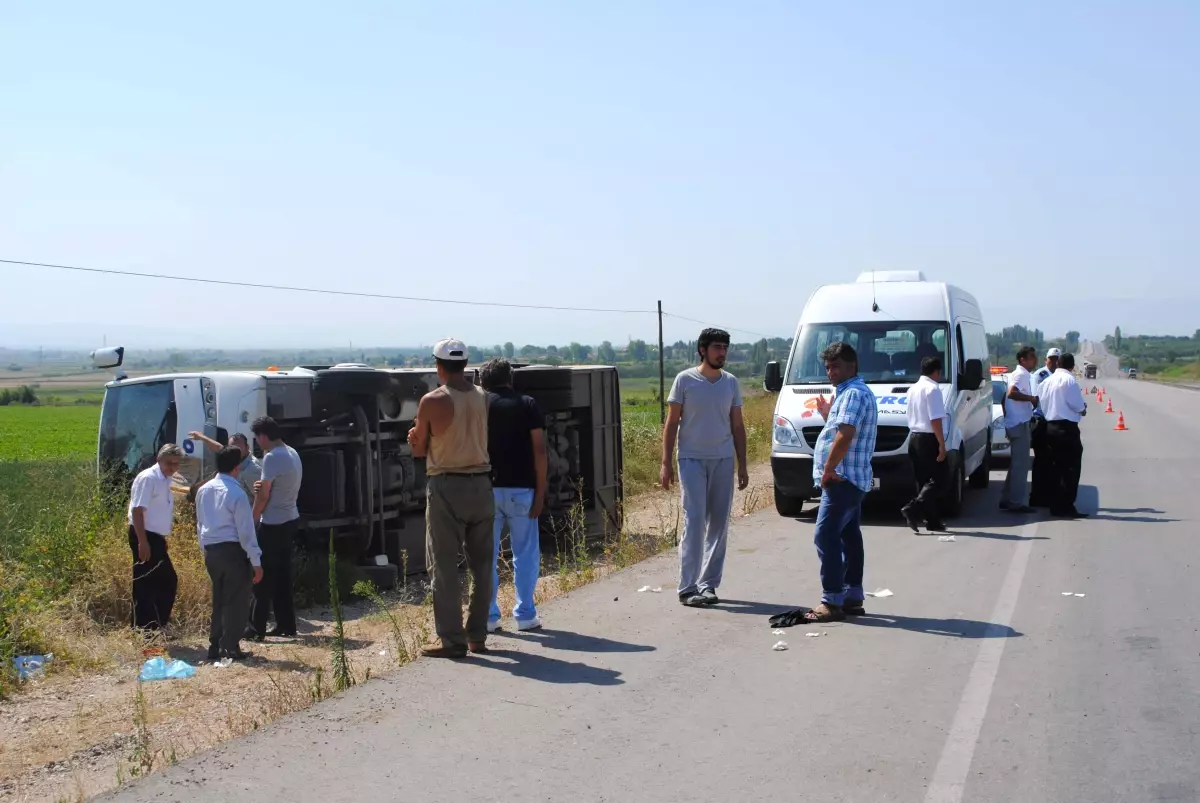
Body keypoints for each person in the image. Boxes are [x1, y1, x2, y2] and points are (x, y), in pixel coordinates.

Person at [407, 338, 495, 659]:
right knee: (482, 566)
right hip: (482, 485)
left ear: (438, 366)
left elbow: (419, 449)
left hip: (446, 486)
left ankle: (453, 641)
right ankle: (477, 635)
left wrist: (414, 437)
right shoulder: (483, 397)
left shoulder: (432, 401)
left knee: (444, 567)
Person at [660, 328, 749, 607]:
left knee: (719, 523)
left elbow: (737, 425)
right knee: (695, 519)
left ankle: (708, 584)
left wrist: (743, 464)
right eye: (717, 347)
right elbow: (672, 422)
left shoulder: (731, 383)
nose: (722, 353)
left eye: (725, 347)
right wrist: (665, 463)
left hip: (723, 459)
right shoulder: (684, 380)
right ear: (703, 350)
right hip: (691, 459)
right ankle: (687, 587)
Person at [798, 342, 878, 623]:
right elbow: (839, 428)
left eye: (836, 366)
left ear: (851, 366)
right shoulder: (848, 394)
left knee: (825, 535)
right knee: (849, 535)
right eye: (828, 367)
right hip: (851, 478)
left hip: (843, 478)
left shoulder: (853, 394)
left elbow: (845, 435)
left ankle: (832, 599)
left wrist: (829, 469)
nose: (830, 372)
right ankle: (852, 595)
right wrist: (827, 415)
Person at [480, 359, 548, 633]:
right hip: (522, 489)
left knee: (487, 555)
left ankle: (488, 617)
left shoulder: (480, 405)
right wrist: (541, 493)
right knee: (525, 554)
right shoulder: (528, 404)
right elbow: (540, 451)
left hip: (486, 489)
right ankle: (525, 614)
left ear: (482, 382)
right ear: (510, 379)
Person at [196, 447, 265, 661]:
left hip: (211, 551)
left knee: (218, 600)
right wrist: (256, 562)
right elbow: (246, 533)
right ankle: (231, 646)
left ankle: (214, 645)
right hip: (233, 552)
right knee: (236, 601)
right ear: (236, 468)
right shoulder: (237, 494)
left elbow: (200, 524)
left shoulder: (203, 490)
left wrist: (204, 550)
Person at [245, 416, 303, 641]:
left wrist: (252, 521)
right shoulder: (292, 453)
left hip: (273, 522)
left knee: (263, 576)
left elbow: (263, 495)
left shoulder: (271, 458)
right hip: (290, 517)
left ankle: (255, 627)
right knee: (282, 576)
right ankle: (286, 624)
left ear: (263, 436)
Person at [128, 445, 183, 632]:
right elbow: (137, 511)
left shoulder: (165, 479)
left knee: (158, 582)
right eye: (169, 463)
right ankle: (145, 629)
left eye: (176, 464)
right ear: (159, 459)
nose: (173, 467)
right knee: (152, 582)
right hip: (144, 534)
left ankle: (151, 627)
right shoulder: (149, 478)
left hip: (154, 537)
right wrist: (143, 541)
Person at [901, 356, 949, 533]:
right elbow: (935, 419)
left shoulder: (913, 388)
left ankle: (933, 521)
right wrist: (941, 444)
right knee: (940, 479)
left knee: (923, 482)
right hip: (928, 438)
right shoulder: (933, 389)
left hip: (914, 437)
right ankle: (912, 509)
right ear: (936, 372)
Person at [1040, 352, 1088, 518]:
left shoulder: (1046, 381)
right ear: (1072, 366)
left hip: (1050, 427)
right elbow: (1077, 405)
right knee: (1071, 469)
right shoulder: (1069, 380)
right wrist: (1083, 409)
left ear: (1057, 364)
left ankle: (1055, 505)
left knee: (1054, 468)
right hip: (1066, 429)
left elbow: (1042, 403)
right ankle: (1067, 505)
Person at [1000, 346, 1041, 513]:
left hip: (1015, 422)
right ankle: (1016, 502)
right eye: (1031, 357)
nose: (1034, 360)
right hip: (1019, 423)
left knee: (1016, 465)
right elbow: (1011, 394)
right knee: (1021, 466)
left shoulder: (1019, 374)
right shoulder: (1022, 374)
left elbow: (1005, 398)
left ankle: (1007, 499)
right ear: (1022, 359)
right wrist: (1031, 399)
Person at [189, 430, 262, 502]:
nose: (234, 451)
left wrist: (253, 514)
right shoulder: (234, 456)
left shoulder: (252, 469)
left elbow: (261, 498)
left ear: (247, 448)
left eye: (238, 448)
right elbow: (219, 448)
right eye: (231, 447)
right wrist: (202, 437)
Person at [1028, 348, 1061, 508]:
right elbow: (1037, 398)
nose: (1054, 362)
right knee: (1041, 460)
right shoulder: (1039, 375)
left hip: (1053, 421)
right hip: (1041, 420)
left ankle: (1047, 494)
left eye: (1056, 359)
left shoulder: (1059, 376)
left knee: (1051, 460)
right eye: (1051, 359)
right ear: (1046, 359)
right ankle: (1036, 495)